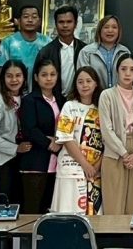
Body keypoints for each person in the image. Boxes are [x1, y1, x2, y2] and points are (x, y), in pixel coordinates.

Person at [98, 53, 133, 215]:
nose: (127, 73)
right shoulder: (107, 95)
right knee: (113, 202)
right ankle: (113, 233)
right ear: (117, 71)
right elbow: (106, 129)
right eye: (123, 69)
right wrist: (125, 154)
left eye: (132, 70)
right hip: (114, 151)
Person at [52, 66, 105, 214]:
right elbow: (66, 138)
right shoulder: (69, 106)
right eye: (80, 82)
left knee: (93, 215)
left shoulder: (102, 108)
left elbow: (107, 141)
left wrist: (96, 167)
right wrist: (85, 165)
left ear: (96, 83)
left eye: (88, 81)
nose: (84, 85)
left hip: (95, 173)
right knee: (67, 214)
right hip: (71, 169)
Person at [18, 56, 64, 214]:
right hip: (35, 162)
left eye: (52, 74)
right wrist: (50, 143)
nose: (49, 78)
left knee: (49, 209)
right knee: (32, 209)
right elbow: (29, 129)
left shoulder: (61, 100)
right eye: (44, 75)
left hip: (56, 163)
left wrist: (60, 142)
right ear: (36, 77)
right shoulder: (29, 100)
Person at [0, 59, 30, 204]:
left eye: (18, 75)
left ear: (24, 77)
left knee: (17, 204)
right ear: (2, 78)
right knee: (0, 206)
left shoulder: (26, 98)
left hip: (19, 160)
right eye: (9, 76)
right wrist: (15, 148)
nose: (14, 80)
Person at [0, 4, 51, 90]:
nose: (30, 20)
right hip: (14, 90)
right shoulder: (8, 42)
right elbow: (1, 70)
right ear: (18, 21)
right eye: (26, 17)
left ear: (39, 21)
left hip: (41, 91)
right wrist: (3, 91)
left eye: (34, 17)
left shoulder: (47, 42)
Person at [37, 5, 87, 97]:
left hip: (80, 99)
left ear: (75, 24)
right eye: (61, 22)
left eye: (69, 22)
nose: (65, 25)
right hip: (53, 100)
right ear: (55, 24)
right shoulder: (46, 52)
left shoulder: (84, 50)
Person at [77, 15, 131, 90]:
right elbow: (83, 79)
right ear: (100, 30)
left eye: (114, 27)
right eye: (106, 27)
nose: (110, 30)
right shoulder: (86, 52)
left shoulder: (124, 52)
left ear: (119, 31)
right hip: (95, 96)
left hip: (119, 95)